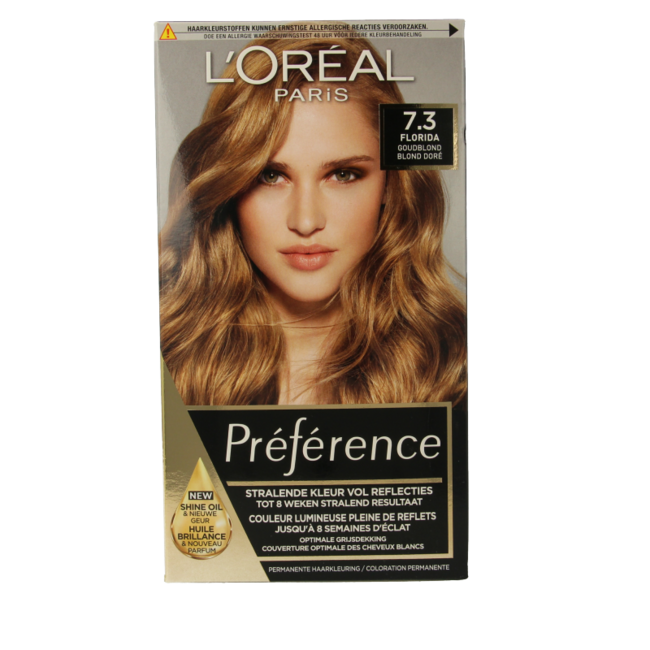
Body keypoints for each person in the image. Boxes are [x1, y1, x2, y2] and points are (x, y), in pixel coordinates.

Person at [160, 32, 467, 407]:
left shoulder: (450, 369)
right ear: (229, 186)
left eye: (343, 174)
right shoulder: (173, 365)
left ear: (390, 184)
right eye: (270, 176)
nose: (306, 222)